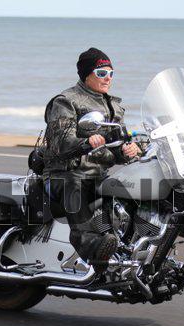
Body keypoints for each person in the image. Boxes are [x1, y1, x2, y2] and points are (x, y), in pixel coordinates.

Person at [42, 47, 143, 262]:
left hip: (99, 175)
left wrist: (128, 150)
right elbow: (60, 143)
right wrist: (87, 142)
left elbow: (117, 145)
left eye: (111, 73)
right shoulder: (66, 101)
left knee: (137, 190)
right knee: (76, 186)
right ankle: (92, 246)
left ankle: (134, 248)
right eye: (101, 73)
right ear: (86, 74)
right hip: (64, 175)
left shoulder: (114, 106)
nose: (108, 78)